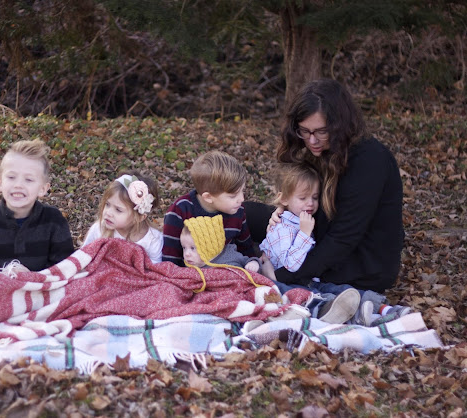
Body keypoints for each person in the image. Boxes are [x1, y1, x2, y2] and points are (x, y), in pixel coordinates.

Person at [244, 78, 410, 324]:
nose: (312, 140)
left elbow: (343, 239)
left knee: (280, 265)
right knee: (243, 212)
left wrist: (281, 276)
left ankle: (314, 298)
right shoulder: (323, 149)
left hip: (360, 263)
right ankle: (197, 248)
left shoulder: (369, 160)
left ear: (340, 125)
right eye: (305, 131)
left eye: (321, 131)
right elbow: (308, 200)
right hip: (316, 234)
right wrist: (284, 212)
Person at [181, 215, 362, 323]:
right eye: (184, 248)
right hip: (243, 298)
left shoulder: (228, 254)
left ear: (209, 246)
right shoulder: (194, 272)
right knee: (272, 299)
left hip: (258, 285)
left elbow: (248, 259)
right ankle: (310, 310)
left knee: (282, 290)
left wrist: (253, 263)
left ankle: (326, 304)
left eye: (193, 248)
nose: (187, 254)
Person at [0, 139, 74, 299]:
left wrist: (32, 278)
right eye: (11, 177)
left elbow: (64, 268)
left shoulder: (54, 221)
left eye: (28, 180)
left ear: (43, 188)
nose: (18, 185)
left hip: (40, 295)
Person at [162, 150, 257, 266]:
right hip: (190, 273)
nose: (241, 199)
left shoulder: (237, 210)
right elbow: (170, 260)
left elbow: (246, 249)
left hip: (227, 269)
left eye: (242, 191)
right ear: (208, 197)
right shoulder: (180, 211)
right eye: (233, 196)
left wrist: (252, 264)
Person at [82, 172, 163, 263]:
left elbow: (156, 268)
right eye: (107, 204)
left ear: (139, 217)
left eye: (118, 210)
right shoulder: (99, 229)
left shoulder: (152, 239)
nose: (108, 213)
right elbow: (83, 256)